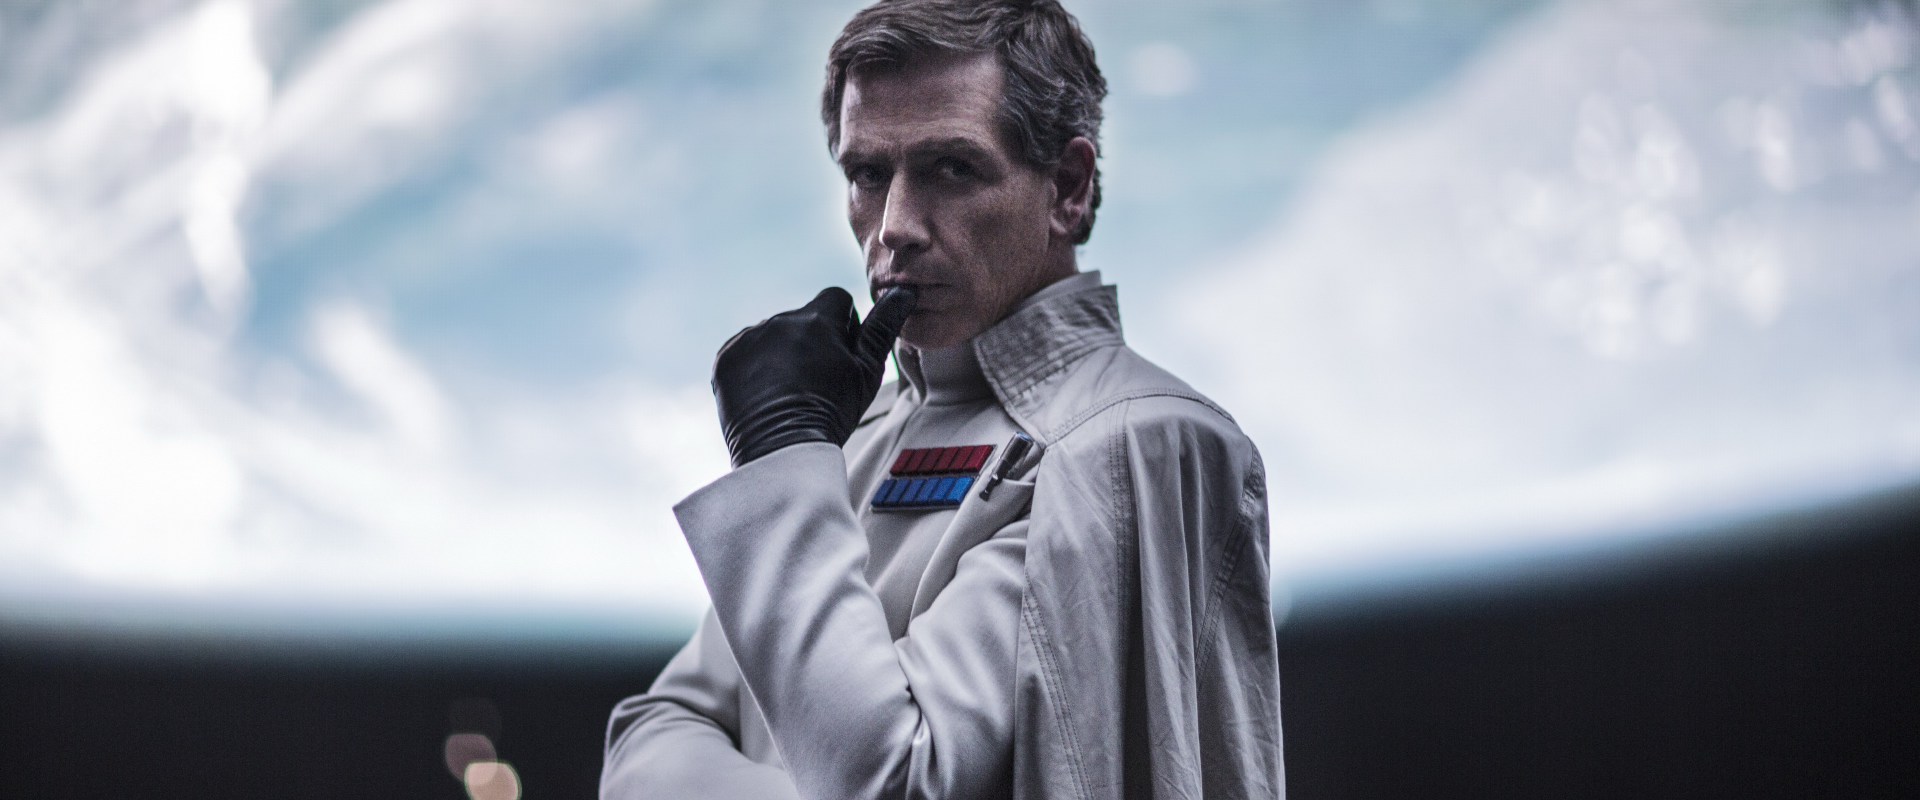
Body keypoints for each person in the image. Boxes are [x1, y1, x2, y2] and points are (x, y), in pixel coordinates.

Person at [601, 1, 1283, 797]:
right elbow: (645, 737)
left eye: (951, 168)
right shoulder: (851, 438)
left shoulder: (1136, 442)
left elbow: (891, 781)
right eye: (868, 175)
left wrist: (782, 449)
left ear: (1067, 187)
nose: (894, 227)